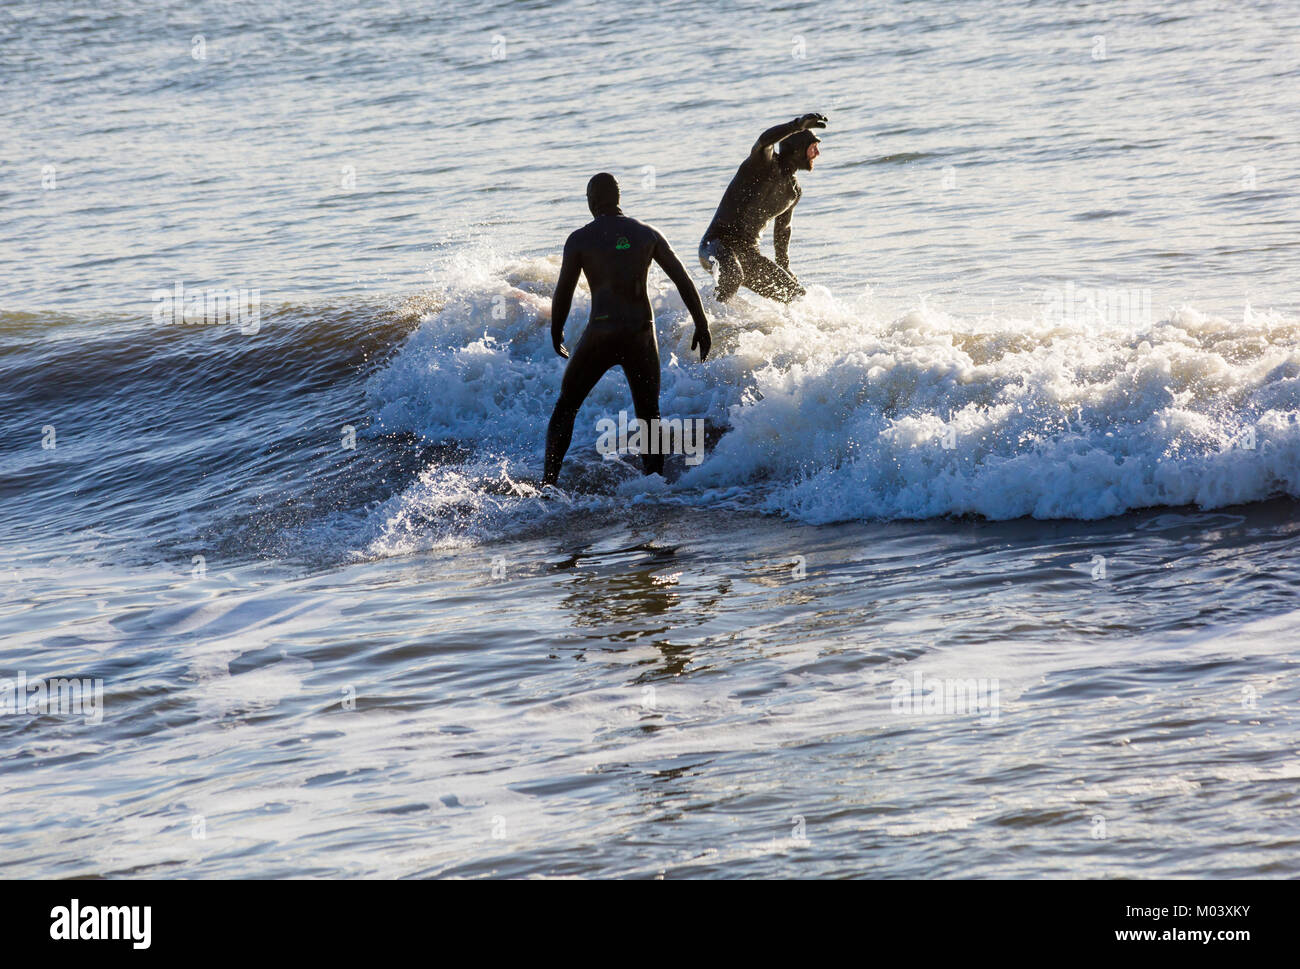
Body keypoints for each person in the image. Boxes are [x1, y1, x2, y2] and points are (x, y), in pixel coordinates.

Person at [543, 173, 711, 486]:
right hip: (640, 334)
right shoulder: (647, 234)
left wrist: (557, 329)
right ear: (619, 199)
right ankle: (655, 485)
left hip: (601, 333)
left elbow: (564, 289)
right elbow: (683, 279)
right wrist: (701, 324)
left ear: (592, 202)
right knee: (649, 413)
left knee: (566, 406)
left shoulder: (580, 239)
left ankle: (549, 484)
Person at [698, 112, 827, 303]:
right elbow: (763, 142)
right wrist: (797, 125)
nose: (817, 154)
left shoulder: (793, 192)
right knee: (733, 275)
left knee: (796, 297)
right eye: (813, 147)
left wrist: (784, 266)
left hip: (749, 253)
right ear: (798, 148)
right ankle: (704, 322)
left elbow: (783, 229)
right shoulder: (762, 164)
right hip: (716, 244)